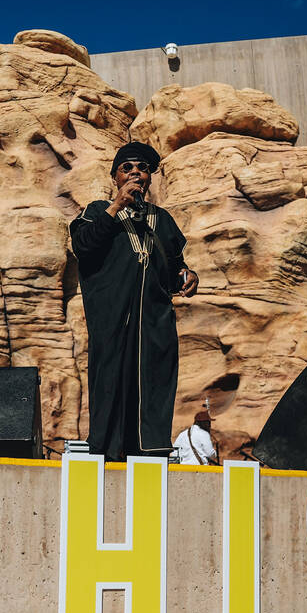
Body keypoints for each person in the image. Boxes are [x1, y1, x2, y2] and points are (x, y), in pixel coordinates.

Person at [69, 141, 199, 461]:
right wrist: (116, 206)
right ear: (115, 177)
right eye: (127, 168)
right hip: (113, 320)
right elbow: (83, 247)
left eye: (142, 168)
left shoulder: (163, 220)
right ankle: (106, 453)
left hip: (155, 323)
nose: (136, 173)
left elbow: (174, 266)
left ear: (150, 178)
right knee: (111, 383)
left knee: (154, 385)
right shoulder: (99, 211)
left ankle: (150, 454)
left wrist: (187, 274)